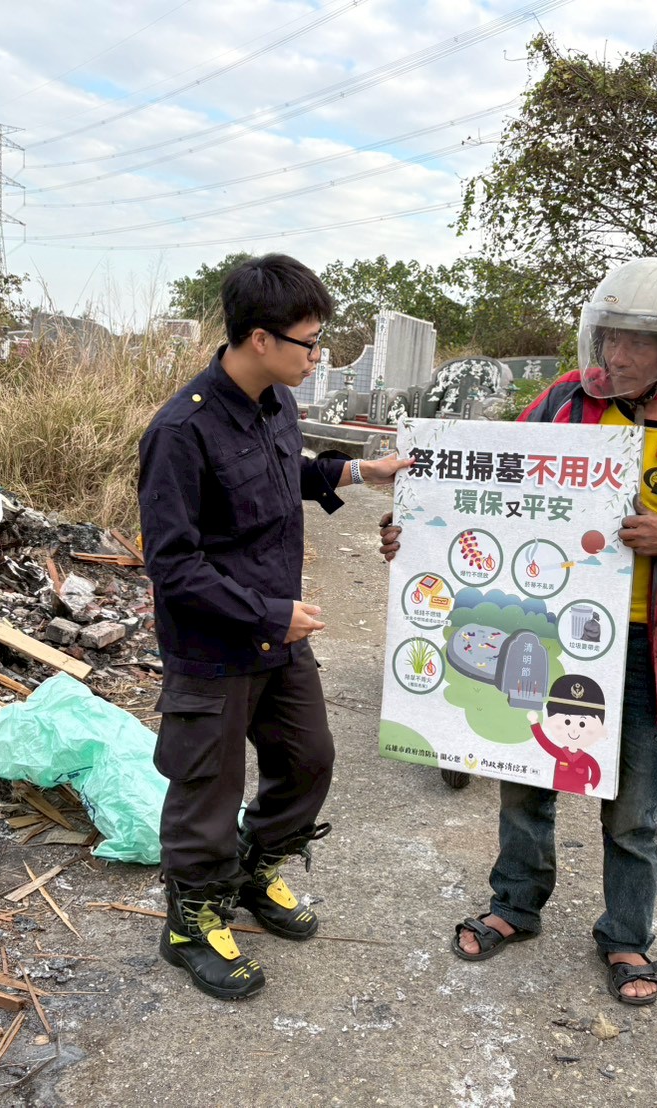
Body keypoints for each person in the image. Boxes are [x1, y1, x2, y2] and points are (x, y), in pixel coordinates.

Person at [379, 257, 657, 1004]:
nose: (616, 358)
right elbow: (493, 492)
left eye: (638, 344)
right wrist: (420, 535)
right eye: (609, 339)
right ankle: (513, 906)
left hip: (645, 651)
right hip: (549, 631)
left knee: (631, 809)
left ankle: (626, 940)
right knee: (524, 780)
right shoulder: (561, 407)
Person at [139, 253, 406, 1001]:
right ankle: (191, 922)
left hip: (278, 636)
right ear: (260, 339)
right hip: (215, 646)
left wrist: (359, 473)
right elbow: (174, 566)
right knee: (206, 790)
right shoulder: (179, 432)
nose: (316, 357)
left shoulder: (275, 406)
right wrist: (269, 613)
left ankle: (255, 872)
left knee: (310, 758)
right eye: (308, 343)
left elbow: (284, 476)